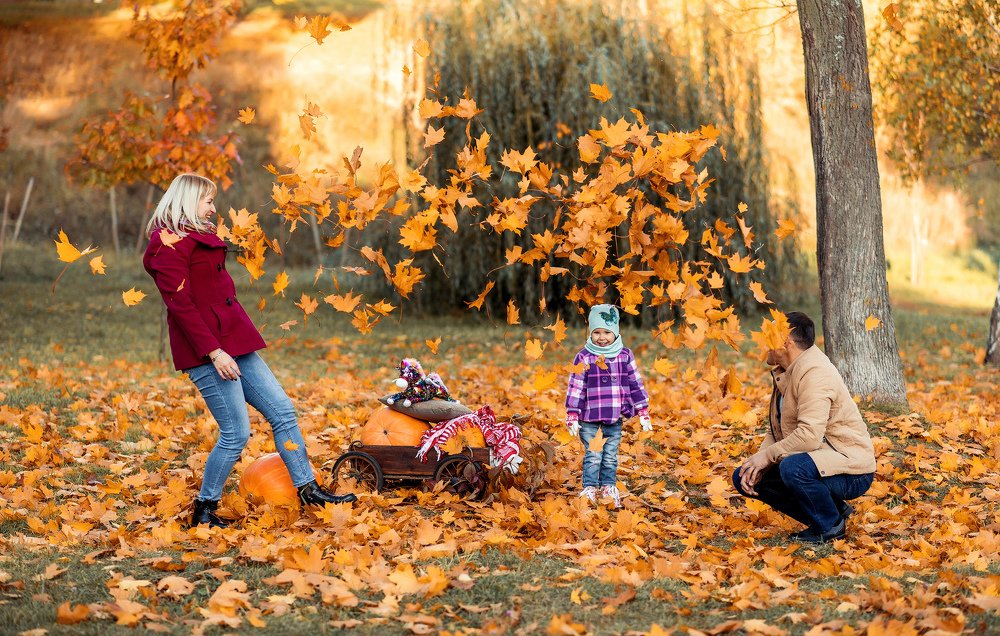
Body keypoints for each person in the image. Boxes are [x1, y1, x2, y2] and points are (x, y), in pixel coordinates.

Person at [143, 173, 356, 529]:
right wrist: (214, 352)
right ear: (187, 201)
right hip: (206, 352)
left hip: (235, 342)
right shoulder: (167, 245)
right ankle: (205, 510)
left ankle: (308, 490)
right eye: (207, 200)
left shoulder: (202, 237)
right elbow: (181, 306)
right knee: (236, 433)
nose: (214, 206)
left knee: (283, 411)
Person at [732, 311, 876, 543]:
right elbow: (776, 430)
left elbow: (809, 436)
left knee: (792, 468)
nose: (761, 341)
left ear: (785, 340)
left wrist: (767, 457)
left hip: (851, 468)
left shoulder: (815, 373)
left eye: (767, 335)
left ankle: (830, 526)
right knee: (744, 476)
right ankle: (835, 511)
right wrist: (758, 462)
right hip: (820, 459)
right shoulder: (786, 372)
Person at [565, 304, 652, 508]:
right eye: (596, 332)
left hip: (614, 416)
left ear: (616, 332)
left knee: (610, 456)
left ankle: (608, 486)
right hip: (589, 417)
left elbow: (635, 383)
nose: (601, 337)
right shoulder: (584, 357)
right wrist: (572, 413)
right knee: (594, 455)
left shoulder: (624, 355)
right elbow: (576, 386)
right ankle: (589, 488)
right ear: (590, 333)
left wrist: (643, 409)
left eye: (607, 332)